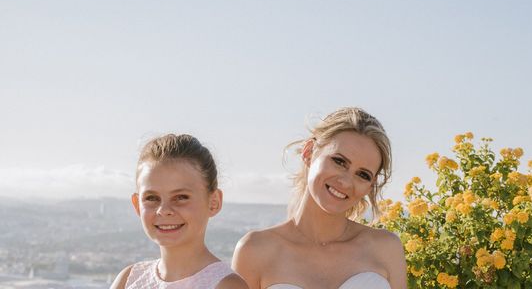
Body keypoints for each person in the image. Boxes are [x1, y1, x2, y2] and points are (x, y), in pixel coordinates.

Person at [232, 107, 407, 289]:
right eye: (339, 161)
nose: (346, 182)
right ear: (309, 152)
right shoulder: (254, 250)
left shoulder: (386, 249)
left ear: (371, 185)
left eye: (363, 175)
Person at [110, 134, 247, 289]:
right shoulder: (129, 279)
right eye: (152, 198)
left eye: (181, 197)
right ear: (137, 205)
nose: (164, 210)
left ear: (214, 202)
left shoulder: (226, 285)